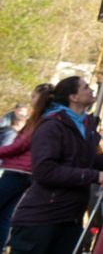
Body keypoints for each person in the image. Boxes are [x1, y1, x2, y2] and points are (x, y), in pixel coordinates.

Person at [7, 77, 103, 254]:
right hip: (41, 220)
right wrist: (94, 176)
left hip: (70, 219)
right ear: (73, 97)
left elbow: (95, 164)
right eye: (86, 87)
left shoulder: (87, 127)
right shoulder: (52, 125)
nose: (92, 90)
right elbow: (44, 171)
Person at [0, 84, 54, 249]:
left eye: (33, 97)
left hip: (18, 172)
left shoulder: (40, 119)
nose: (31, 101)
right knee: (4, 216)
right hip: (26, 173)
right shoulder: (49, 118)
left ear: (41, 98)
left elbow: (20, 145)